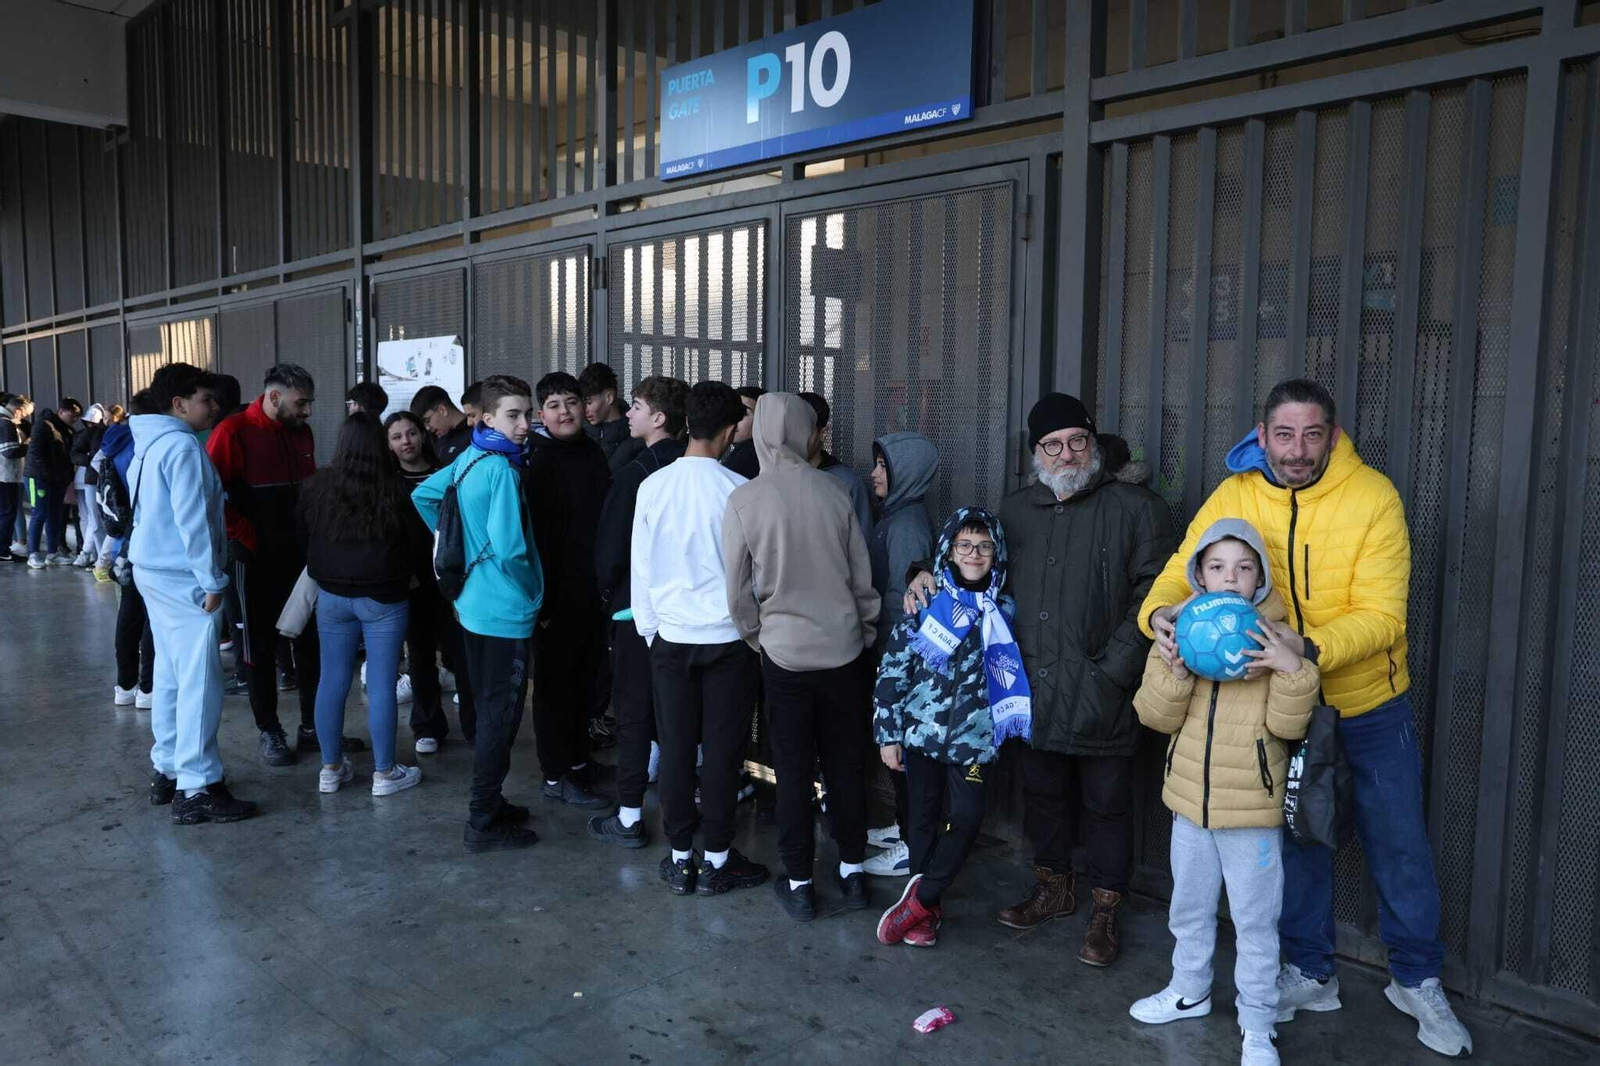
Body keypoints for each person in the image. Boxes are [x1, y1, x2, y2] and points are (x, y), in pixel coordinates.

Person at [1139, 379, 1472, 1057]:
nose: (1297, 451)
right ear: (1262, 436)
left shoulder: (1372, 496)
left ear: (1333, 433)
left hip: (1366, 703)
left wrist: (1304, 650)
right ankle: (1311, 972)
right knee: (1299, 846)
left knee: (1397, 843)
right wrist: (1162, 620)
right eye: (1284, 435)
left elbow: (1383, 616)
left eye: (1311, 435)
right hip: (1270, 707)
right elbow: (1181, 573)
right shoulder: (1236, 496)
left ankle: (1416, 979)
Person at [905, 393, 1177, 968]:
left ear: (1094, 444)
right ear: (1036, 454)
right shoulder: (1016, 508)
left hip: (1104, 684)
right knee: (1044, 794)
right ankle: (1054, 887)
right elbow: (976, 563)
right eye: (1052, 445)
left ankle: (1106, 906)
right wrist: (924, 571)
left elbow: (1156, 592)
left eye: (1077, 441)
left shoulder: (1135, 507)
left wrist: (1114, 669)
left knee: (1108, 802)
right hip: (1025, 685)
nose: (1067, 454)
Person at [1129, 520, 1317, 1066]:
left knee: (1256, 923)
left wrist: (1291, 671)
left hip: (1252, 812)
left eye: (1243, 566)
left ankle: (1257, 1025)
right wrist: (1173, 668)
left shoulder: (1275, 637)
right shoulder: (1178, 631)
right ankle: (1189, 991)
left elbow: (1289, 726)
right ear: (1199, 576)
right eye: (1217, 567)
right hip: (1190, 805)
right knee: (1188, 909)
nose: (1230, 578)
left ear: (1259, 576)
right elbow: (1153, 716)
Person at [722, 392, 880, 922]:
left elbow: (737, 592)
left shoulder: (746, 499)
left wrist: (758, 638)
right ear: (806, 432)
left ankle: (800, 883)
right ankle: (854, 873)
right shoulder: (836, 492)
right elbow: (862, 581)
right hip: (844, 652)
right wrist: (864, 632)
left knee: (791, 769)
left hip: (784, 655)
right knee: (845, 764)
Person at [632, 381, 768, 896]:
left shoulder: (653, 486)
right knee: (722, 751)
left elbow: (640, 569)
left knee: (675, 749)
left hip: (669, 637)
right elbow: (754, 576)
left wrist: (651, 634)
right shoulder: (739, 491)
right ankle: (717, 859)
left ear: (686, 422)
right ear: (733, 431)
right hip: (729, 641)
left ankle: (681, 856)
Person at [874, 508, 1027, 948]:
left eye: (983, 545)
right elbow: (893, 672)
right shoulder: (925, 603)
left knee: (965, 817)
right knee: (921, 819)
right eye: (964, 545)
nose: (974, 553)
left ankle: (920, 898)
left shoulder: (1005, 611)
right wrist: (889, 734)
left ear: (996, 552)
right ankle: (924, 917)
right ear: (949, 550)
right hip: (921, 736)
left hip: (975, 743)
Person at [413, 374, 545, 852]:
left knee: (491, 709)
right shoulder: (502, 471)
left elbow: (423, 496)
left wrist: (459, 548)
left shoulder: (470, 456)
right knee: (500, 717)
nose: (525, 424)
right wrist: (534, 594)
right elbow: (512, 551)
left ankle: (491, 804)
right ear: (486, 418)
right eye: (513, 415)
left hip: (471, 605)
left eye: (528, 414)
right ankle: (482, 819)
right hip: (505, 610)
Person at [207, 364, 358, 766]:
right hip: (253, 560)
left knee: (312, 643)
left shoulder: (300, 433)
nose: (308, 410)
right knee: (258, 646)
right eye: (301, 402)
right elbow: (210, 497)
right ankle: (269, 730)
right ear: (275, 397)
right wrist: (246, 535)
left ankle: (314, 728)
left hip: (303, 559)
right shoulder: (233, 432)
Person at [128, 362, 259, 824]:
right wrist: (211, 580)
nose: (215, 406)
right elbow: (192, 521)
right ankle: (197, 785)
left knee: (169, 673)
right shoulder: (182, 446)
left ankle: (167, 769)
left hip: (153, 568)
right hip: (183, 576)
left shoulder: (148, 441)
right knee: (201, 681)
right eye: (206, 399)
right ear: (179, 404)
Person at [587, 375, 689, 848]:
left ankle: (629, 814)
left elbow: (610, 551)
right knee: (681, 717)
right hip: (685, 616)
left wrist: (610, 596)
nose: (628, 413)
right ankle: (683, 822)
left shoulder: (634, 474)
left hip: (633, 611)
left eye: (638, 406)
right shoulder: (701, 469)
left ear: (659, 418)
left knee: (632, 714)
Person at [300, 413, 423, 798]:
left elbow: (304, 534)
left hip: (331, 597)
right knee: (382, 684)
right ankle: (385, 774)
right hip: (385, 598)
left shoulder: (318, 485)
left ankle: (330, 768)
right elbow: (414, 544)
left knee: (331, 679)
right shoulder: (395, 489)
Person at [523, 371, 612, 810]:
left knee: (583, 684)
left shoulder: (591, 453)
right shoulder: (539, 462)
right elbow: (535, 540)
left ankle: (579, 762)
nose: (566, 412)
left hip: (591, 594)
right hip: (555, 599)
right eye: (555, 406)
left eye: (572, 402)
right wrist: (543, 602)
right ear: (541, 414)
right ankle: (556, 774)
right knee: (556, 689)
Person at [862, 431, 939, 877]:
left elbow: (904, 604)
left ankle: (913, 844)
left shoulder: (908, 524)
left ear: (905, 473)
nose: (874, 473)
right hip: (889, 651)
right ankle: (902, 827)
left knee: (905, 754)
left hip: (897, 656)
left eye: (883, 466)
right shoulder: (896, 515)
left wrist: (887, 658)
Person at [385, 410, 464, 754]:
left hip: (452, 579)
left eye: (412, 433)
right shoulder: (388, 483)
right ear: (388, 444)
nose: (406, 441)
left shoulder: (446, 475)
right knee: (419, 657)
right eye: (397, 436)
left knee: (461, 653)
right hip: (414, 583)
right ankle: (427, 725)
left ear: (423, 435)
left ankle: (474, 722)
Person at [103, 391, 158, 708]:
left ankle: (124, 686)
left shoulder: (115, 440)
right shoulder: (149, 448)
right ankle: (148, 689)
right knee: (151, 619)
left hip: (125, 543)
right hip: (152, 544)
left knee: (128, 616)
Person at [797, 392, 873, 536]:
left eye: (804, 430)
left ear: (823, 432)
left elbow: (863, 542)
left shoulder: (847, 482)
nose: (795, 437)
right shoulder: (777, 475)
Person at [24, 396, 82, 568]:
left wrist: (64, 478)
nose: (75, 420)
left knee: (55, 516)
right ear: (61, 411)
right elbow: (36, 454)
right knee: (39, 513)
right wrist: (49, 475)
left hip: (58, 480)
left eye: (77, 417)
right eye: (72, 416)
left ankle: (52, 553)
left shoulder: (66, 430)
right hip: (39, 478)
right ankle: (32, 554)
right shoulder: (43, 425)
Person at [577, 362, 644, 473]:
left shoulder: (638, 437)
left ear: (609, 397)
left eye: (588, 403)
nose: (584, 410)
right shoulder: (578, 435)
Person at [70, 404, 112, 568]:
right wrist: (92, 461)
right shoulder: (92, 433)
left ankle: (97, 557)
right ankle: (100, 560)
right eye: (106, 418)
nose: (108, 421)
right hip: (92, 480)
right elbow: (75, 453)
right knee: (93, 521)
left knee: (101, 520)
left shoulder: (119, 432)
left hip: (105, 481)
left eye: (111, 418)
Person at [411, 385, 474, 464]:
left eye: (428, 420)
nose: (428, 428)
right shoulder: (433, 438)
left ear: (442, 410)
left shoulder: (474, 436)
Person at [0, 394, 26, 562]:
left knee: (6, 513)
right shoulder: (6, 423)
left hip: (6, 474)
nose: (23, 418)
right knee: (8, 513)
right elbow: (9, 451)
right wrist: (27, 445)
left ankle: (3, 548)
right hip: (6, 475)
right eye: (24, 413)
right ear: (18, 409)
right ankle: (3, 550)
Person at [720, 385, 764, 479]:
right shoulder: (732, 452)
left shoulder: (748, 458)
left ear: (762, 419)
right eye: (730, 411)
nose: (733, 418)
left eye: (742, 412)